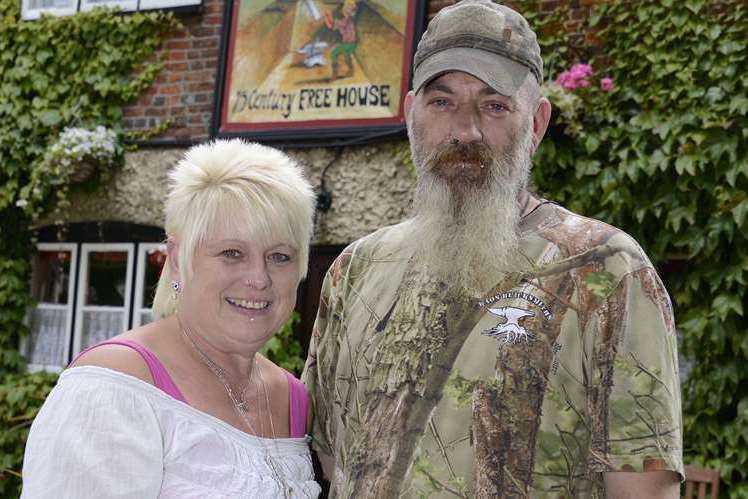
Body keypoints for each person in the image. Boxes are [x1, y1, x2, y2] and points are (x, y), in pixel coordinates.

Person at [302, 1, 684, 497]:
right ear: (409, 114)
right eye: (442, 102)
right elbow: (331, 462)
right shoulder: (356, 269)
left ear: (537, 122)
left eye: (495, 105)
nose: (466, 131)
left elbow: (643, 488)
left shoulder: (604, 269)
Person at [22, 139, 321, 498]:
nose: (259, 277)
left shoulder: (292, 396)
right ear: (177, 258)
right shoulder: (115, 386)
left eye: (280, 256)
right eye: (231, 253)